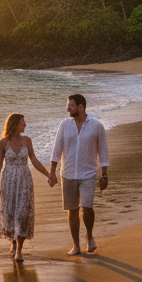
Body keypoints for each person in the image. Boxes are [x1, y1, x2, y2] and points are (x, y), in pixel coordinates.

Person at [47, 94, 109, 255]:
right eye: (68, 105)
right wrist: (52, 172)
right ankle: (76, 245)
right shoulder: (64, 125)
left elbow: (103, 151)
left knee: (87, 207)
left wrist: (104, 174)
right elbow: (56, 149)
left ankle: (89, 236)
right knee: (72, 210)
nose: (68, 108)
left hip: (88, 173)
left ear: (81, 107)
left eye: (71, 105)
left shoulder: (96, 126)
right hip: (67, 174)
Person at [0, 113, 51, 262]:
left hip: (24, 180)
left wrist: (49, 175)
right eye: (22, 123)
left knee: (23, 213)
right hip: (8, 180)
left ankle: (19, 250)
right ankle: (12, 242)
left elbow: (34, 160)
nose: (25, 125)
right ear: (14, 124)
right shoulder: (3, 142)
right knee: (10, 213)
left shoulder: (27, 141)